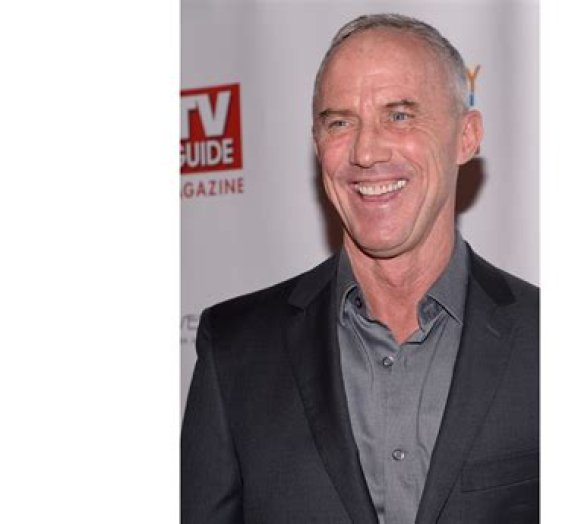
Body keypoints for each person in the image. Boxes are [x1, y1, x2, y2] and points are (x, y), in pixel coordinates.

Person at [182, 13, 538, 524]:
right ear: (317, 144)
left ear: (466, 136)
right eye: (340, 122)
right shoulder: (235, 349)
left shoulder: (543, 337)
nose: (366, 152)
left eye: (400, 116)